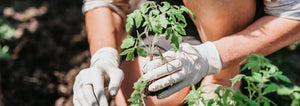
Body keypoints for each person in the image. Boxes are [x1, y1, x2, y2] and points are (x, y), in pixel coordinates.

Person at [73, 0, 300, 105]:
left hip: (233, 15)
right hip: (171, 13)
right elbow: (107, 3)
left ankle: (222, 79)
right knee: (146, 96)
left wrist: (212, 56)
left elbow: (294, 15)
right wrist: (103, 58)